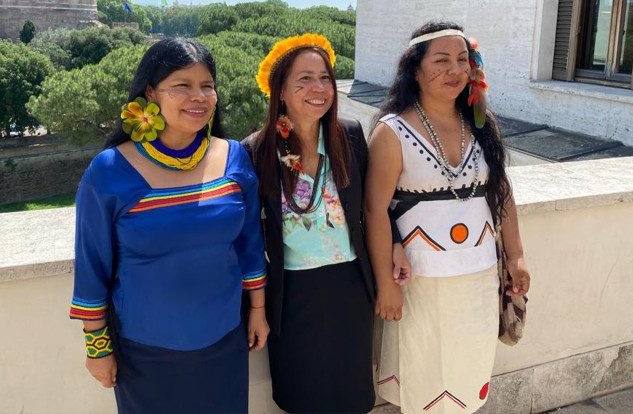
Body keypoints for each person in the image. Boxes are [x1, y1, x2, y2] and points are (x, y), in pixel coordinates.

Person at [68, 38, 268, 413]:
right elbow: (92, 266)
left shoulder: (235, 158)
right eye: (182, 85)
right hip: (145, 353)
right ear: (150, 93)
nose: (199, 96)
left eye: (207, 85)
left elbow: (249, 244)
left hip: (224, 340)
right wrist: (98, 348)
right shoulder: (110, 171)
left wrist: (257, 309)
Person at [364, 22, 531, 413]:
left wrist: (517, 255)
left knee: (467, 375)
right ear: (416, 70)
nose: (454, 70)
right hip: (421, 282)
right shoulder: (392, 131)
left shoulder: (481, 125)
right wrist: (387, 284)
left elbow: (501, 193)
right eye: (441, 61)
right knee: (425, 381)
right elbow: (374, 210)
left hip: (479, 277)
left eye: (462, 60)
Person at [243, 33, 409, 413]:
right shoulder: (257, 149)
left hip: (351, 285)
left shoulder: (349, 135)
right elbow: (250, 233)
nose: (318, 88)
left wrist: (396, 244)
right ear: (280, 90)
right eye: (304, 79)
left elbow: (374, 202)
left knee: (349, 390)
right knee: (302, 392)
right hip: (292, 292)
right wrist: (255, 306)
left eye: (325, 78)